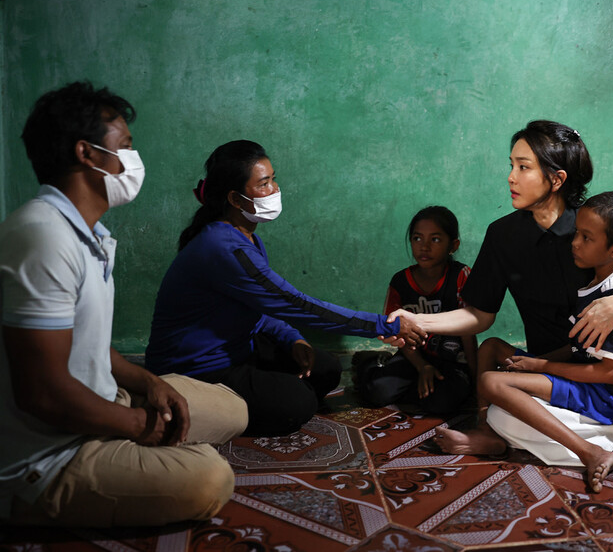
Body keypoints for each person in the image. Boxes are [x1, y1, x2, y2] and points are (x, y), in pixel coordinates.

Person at [391, 120, 613, 469]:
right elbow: (480, 316)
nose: (511, 176)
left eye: (523, 167)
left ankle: (610, 436)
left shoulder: (594, 227)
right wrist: (417, 319)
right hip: (550, 373)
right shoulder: (503, 235)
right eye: (512, 165)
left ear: (556, 179)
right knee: (503, 411)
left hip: (607, 370)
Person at [0, 82, 248, 527]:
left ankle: (139, 441)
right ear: (87, 154)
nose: (132, 160)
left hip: (99, 400)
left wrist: (146, 381)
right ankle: (32, 500)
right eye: (125, 147)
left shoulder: (86, 234)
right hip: (52, 451)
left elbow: (85, 344)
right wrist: (136, 425)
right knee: (210, 479)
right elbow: (41, 393)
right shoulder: (41, 237)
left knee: (234, 409)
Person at [146, 140, 420, 437]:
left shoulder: (244, 237)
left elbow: (259, 307)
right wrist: (383, 325)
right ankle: (207, 409)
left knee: (325, 368)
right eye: (264, 184)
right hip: (198, 367)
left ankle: (262, 393)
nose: (275, 189)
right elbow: (294, 304)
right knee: (298, 404)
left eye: (274, 178)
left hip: (238, 346)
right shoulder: (223, 248)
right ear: (235, 200)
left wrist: (292, 339)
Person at [471, 191, 613, 492]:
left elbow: (612, 373)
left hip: (604, 392)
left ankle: (591, 452)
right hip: (581, 372)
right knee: (490, 347)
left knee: (492, 382)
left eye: (585, 238)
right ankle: (485, 430)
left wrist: (543, 366)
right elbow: (578, 346)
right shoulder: (594, 282)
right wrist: (532, 365)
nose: (574, 243)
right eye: (576, 234)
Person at [353, 206, 477, 414]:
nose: (424, 247)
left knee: (440, 404)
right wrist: (422, 367)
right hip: (413, 357)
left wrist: (476, 378)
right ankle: (369, 362)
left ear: (453, 245)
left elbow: (469, 332)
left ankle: (424, 392)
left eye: (435, 239)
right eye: (417, 239)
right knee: (377, 392)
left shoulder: (461, 276)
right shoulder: (400, 281)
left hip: (452, 361)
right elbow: (397, 332)